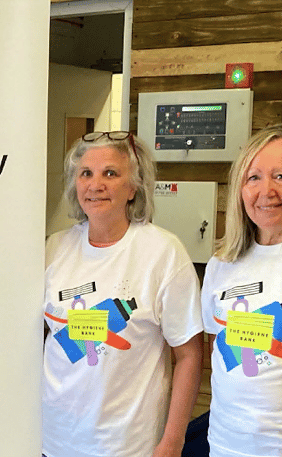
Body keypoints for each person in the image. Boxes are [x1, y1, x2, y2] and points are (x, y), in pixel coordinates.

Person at [42, 131, 204, 457]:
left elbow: (189, 355)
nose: (95, 184)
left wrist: (173, 440)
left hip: (127, 445)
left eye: (111, 173)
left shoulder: (163, 252)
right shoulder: (55, 247)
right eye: (86, 173)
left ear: (133, 188)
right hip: (53, 439)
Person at [201, 124, 282, 457]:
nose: (267, 191)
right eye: (254, 178)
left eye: (281, 176)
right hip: (225, 442)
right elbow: (216, 349)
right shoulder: (222, 265)